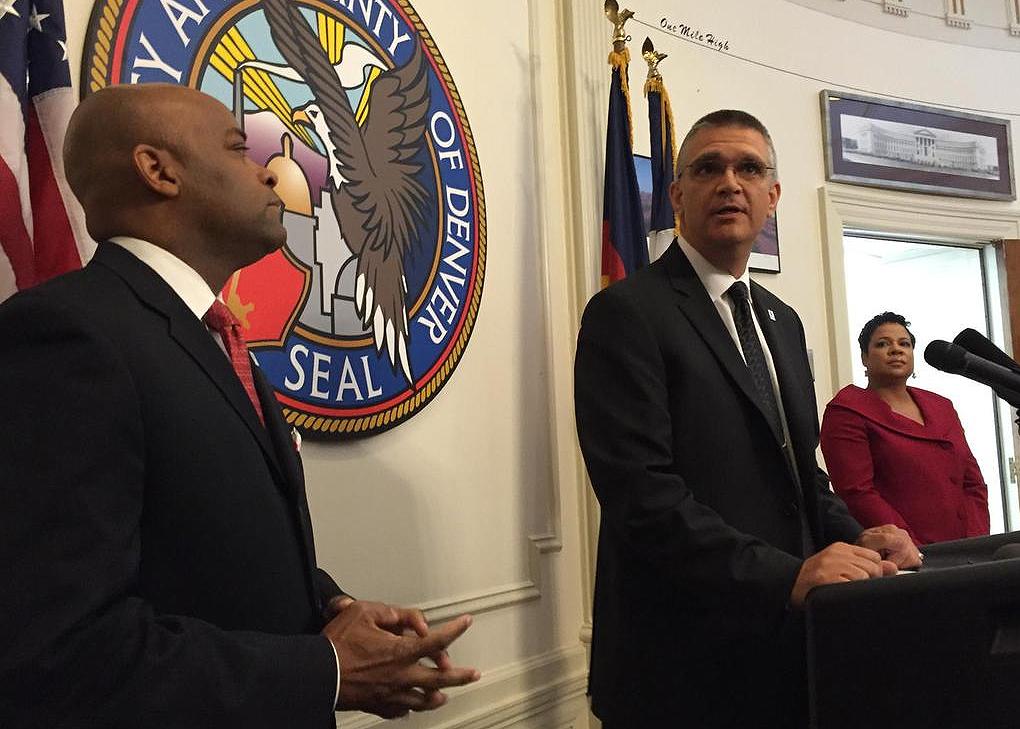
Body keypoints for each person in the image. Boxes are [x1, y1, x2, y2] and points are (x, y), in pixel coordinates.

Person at [0, 83, 478, 729]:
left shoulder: (210, 334)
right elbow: (60, 646)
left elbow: (206, 543)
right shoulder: (66, 336)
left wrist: (330, 604)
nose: (264, 168)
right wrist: (327, 670)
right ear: (158, 169)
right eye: (236, 146)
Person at [574, 110, 922, 728]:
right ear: (677, 195)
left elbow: (797, 469)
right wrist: (787, 575)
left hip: (788, 653)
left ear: (773, 197)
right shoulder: (625, 313)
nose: (730, 182)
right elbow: (642, 496)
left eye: (749, 168)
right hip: (679, 668)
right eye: (709, 168)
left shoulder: (781, 321)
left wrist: (856, 533)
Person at [820, 312, 990, 545]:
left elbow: (973, 482)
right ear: (864, 358)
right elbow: (857, 493)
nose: (896, 350)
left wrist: (976, 541)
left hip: (966, 548)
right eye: (882, 344)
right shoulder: (848, 409)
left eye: (904, 344)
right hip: (899, 553)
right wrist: (910, 546)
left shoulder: (942, 406)